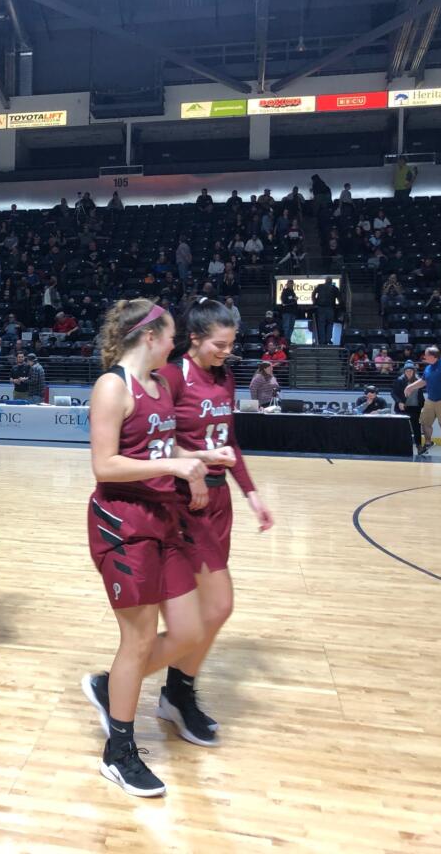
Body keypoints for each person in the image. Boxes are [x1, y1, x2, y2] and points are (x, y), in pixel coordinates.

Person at [76, 298, 234, 797]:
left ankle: (110, 687)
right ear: (148, 338)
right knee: (140, 639)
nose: (174, 343)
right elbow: (105, 465)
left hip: (163, 521)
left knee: (188, 630)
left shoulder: (161, 384)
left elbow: (164, 449)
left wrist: (202, 455)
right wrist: (173, 468)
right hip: (122, 524)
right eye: (169, 335)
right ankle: (119, 753)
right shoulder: (111, 387)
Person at [154, 299, 274, 747]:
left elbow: (229, 441)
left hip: (220, 501)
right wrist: (195, 467)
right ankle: (161, 689)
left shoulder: (225, 376)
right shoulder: (169, 377)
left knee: (208, 610)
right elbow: (156, 442)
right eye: (219, 345)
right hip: (186, 503)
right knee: (218, 606)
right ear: (195, 339)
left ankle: (175, 693)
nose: (227, 352)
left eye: (232, 344)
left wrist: (252, 494)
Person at [404, 346, 441, 462]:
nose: (424, 357)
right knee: (424, 422)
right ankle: (428, 442)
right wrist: (411, 386)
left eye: (426, 355)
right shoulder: (428, 368)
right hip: (430, 399)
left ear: (433, 356)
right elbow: (424, 381)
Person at [392, 362, 424, 449]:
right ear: (404, 371)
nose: (409, 372)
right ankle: (399, 446)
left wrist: (422, 406)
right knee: (401, 428)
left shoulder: (419, 380)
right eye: (407, 371)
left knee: (416, 428)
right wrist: (399, 402)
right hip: (402, 408)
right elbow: (393, 393)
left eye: (410, 371)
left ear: (414, 371)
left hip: (415, 408)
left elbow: (420, 395)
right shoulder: (399, 380)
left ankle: (419, 446)